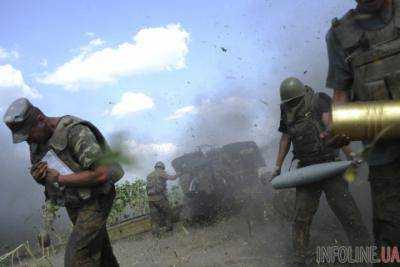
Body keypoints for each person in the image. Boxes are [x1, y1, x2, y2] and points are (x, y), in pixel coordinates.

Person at [3, 98, 124, 267]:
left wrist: (59, 178)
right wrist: (41, 178)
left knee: (77, 258)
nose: (28, 141)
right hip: (75, 202)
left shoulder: (75, 132)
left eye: (28, 134)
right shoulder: (36, 144)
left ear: (40, 120)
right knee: (100, 253)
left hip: (97, 197)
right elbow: (49, 181)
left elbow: (101, 174)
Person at [326, 0, 400, 264]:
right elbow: (340, 94)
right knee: (392, 245)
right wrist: (340, 125)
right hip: (385, 160)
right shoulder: (340, 35)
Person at [272, 78, 370, 266]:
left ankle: (363, 256)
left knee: (348, 214)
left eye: (294, 101)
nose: (292, 105)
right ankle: (301, 259)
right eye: (289, 103)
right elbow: (285, 138)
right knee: (301, 218)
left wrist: (351, 155)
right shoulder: (286, 111)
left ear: (302, 95)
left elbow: (333, 129)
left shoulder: (318, 101)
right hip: (306, 171)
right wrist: (277, 166)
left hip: (329, 166)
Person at [146, 161, 178, 236]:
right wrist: (179, 173)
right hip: (159, 198)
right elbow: (172, 178)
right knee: (167, 212)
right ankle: (169, 227)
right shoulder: (161, 173)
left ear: (156, 166)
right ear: (161, 167)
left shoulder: (149, 175)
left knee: (154, 216)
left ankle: (155, 232)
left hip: (150, 199)